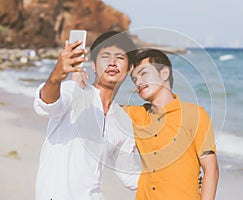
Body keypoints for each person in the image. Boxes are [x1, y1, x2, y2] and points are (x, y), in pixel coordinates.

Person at [33, 31, 141, 200]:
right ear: (92, 64)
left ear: (130, 68)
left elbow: (131, 176)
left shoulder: (123, 121)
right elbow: (46, 104)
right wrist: (56, 76)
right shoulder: (75, 91)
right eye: (105, 56)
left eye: (120, 58)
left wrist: (179, 180)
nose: (112, 63)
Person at [123, 49, 219, 200]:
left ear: (164, 74)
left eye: (143, 73)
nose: (138, 82)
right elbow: (101, 103)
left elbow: (211, 169)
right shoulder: (134, 115)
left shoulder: (195, 114)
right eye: (134, 79)